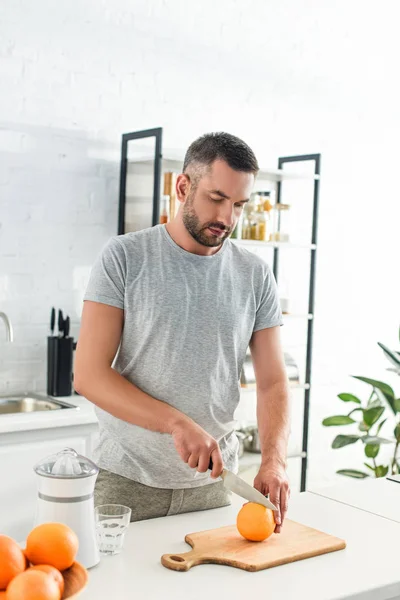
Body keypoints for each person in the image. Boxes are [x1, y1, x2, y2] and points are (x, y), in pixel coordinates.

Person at [74, 132, 290, 532]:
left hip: (214, 486)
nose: (227, 218)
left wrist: (273, 460)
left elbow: (273, 382)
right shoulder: (124, 257)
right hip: (126, 483)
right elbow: (89, 375)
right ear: (183, 186)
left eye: (239, 205)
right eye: (217, 198)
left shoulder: (255, 275)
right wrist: (176, 423)